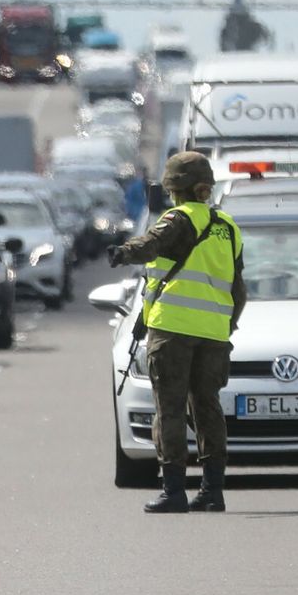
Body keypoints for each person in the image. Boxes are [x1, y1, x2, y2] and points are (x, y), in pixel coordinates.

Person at [107, 151, 247, 513]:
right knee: (208, 407)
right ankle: (212, 491)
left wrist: (122, 252)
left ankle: (173, 491)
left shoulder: (177, 219)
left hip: (172, 331)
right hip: (214, 334)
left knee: (169, 409)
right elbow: (239, 289)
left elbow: (150, 245)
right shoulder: (228, 227)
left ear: (174, 188)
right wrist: (225, 324)